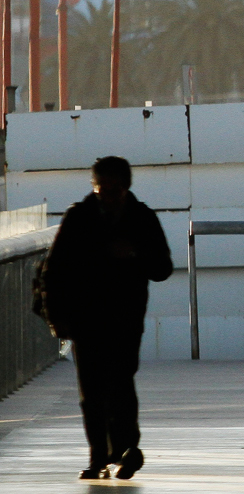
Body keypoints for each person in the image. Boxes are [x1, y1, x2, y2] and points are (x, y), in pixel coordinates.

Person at [42, 156, 173, 480]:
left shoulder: (141, 219)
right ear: (95, 187)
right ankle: (103, 456)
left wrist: (134, 254)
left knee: (119, 385)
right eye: (102, 190)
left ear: (126, 188)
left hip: (124, 318)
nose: (108, 197)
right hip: (85, 318)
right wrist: (56, 317)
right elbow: (53, 271)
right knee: (93, 391)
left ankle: (123, 450)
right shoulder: (78, 217)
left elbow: (163, 268)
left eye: (114, 191)